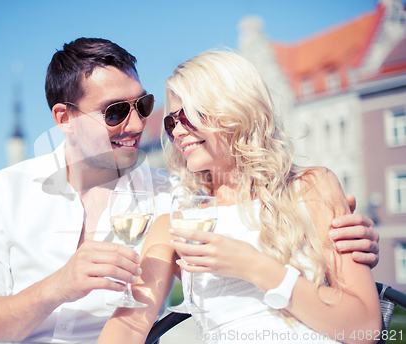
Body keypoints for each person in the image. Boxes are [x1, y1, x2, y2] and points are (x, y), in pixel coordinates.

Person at [0, 38, 379, 343]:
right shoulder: (6, 192)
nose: (142, 125)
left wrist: (343, 226)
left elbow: (360, 322)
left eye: (144, 107)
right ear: (64, 119)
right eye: (116, 112)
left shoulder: (175, 197)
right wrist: (59, 285)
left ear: (236, 112)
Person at [98, 50, 381, 344]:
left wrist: (252, 265)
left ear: (235, 110)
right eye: (171, 123)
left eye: (189, 116)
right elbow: (129, 325)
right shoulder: (177, 224)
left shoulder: (312, 187)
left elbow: (365, 328)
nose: (179, 131)